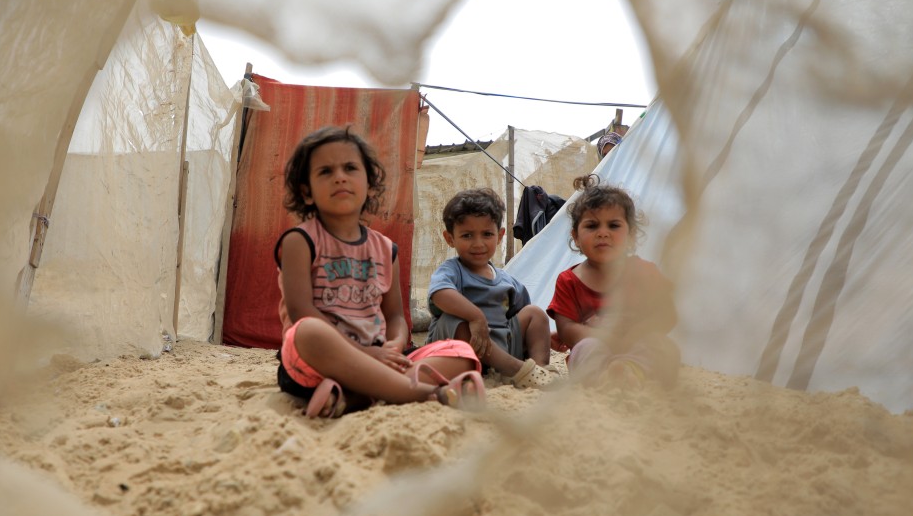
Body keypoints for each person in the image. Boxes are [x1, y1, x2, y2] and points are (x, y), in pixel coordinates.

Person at [275, 126, 485, 418]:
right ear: (307, 193)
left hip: (381, 357)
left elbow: (395, 316)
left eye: (350, 167)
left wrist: (395, 346)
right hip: (317, 362)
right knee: (309, 332)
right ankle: (427, 394)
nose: (340, 176)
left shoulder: (386, 250)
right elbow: (302, 312)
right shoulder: (300, 241)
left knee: (461, 353)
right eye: (325, 171)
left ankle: (351, 397)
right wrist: (366, 354)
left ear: (370, 186)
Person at [548, 174, 680, 386]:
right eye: (592, 226)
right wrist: (606, 339)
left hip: (638, 344)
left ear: (631, 235)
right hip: (596, 347)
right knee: (584, 348)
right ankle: (604, 379)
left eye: (613, 225)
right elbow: (567, 329)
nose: (603, 233)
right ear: (575, 236)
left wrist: (633, 336)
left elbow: (667, 316)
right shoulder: (569, 281)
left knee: (663, 346)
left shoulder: (645, 273)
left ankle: (631, 372)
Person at [426, 188, 561, 389]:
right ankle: (517, 369)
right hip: (461, 352)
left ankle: (538, 370)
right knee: (454, 319)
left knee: (535, 313)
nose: (478, 243)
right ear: (450, 238)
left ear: (499, 236)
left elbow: (522, 318)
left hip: (503, 346)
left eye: (487, 234)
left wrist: (541, 339)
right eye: (467, 235)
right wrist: (475, 317)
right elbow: (439, 295)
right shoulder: (453, 271)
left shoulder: (507, 281)